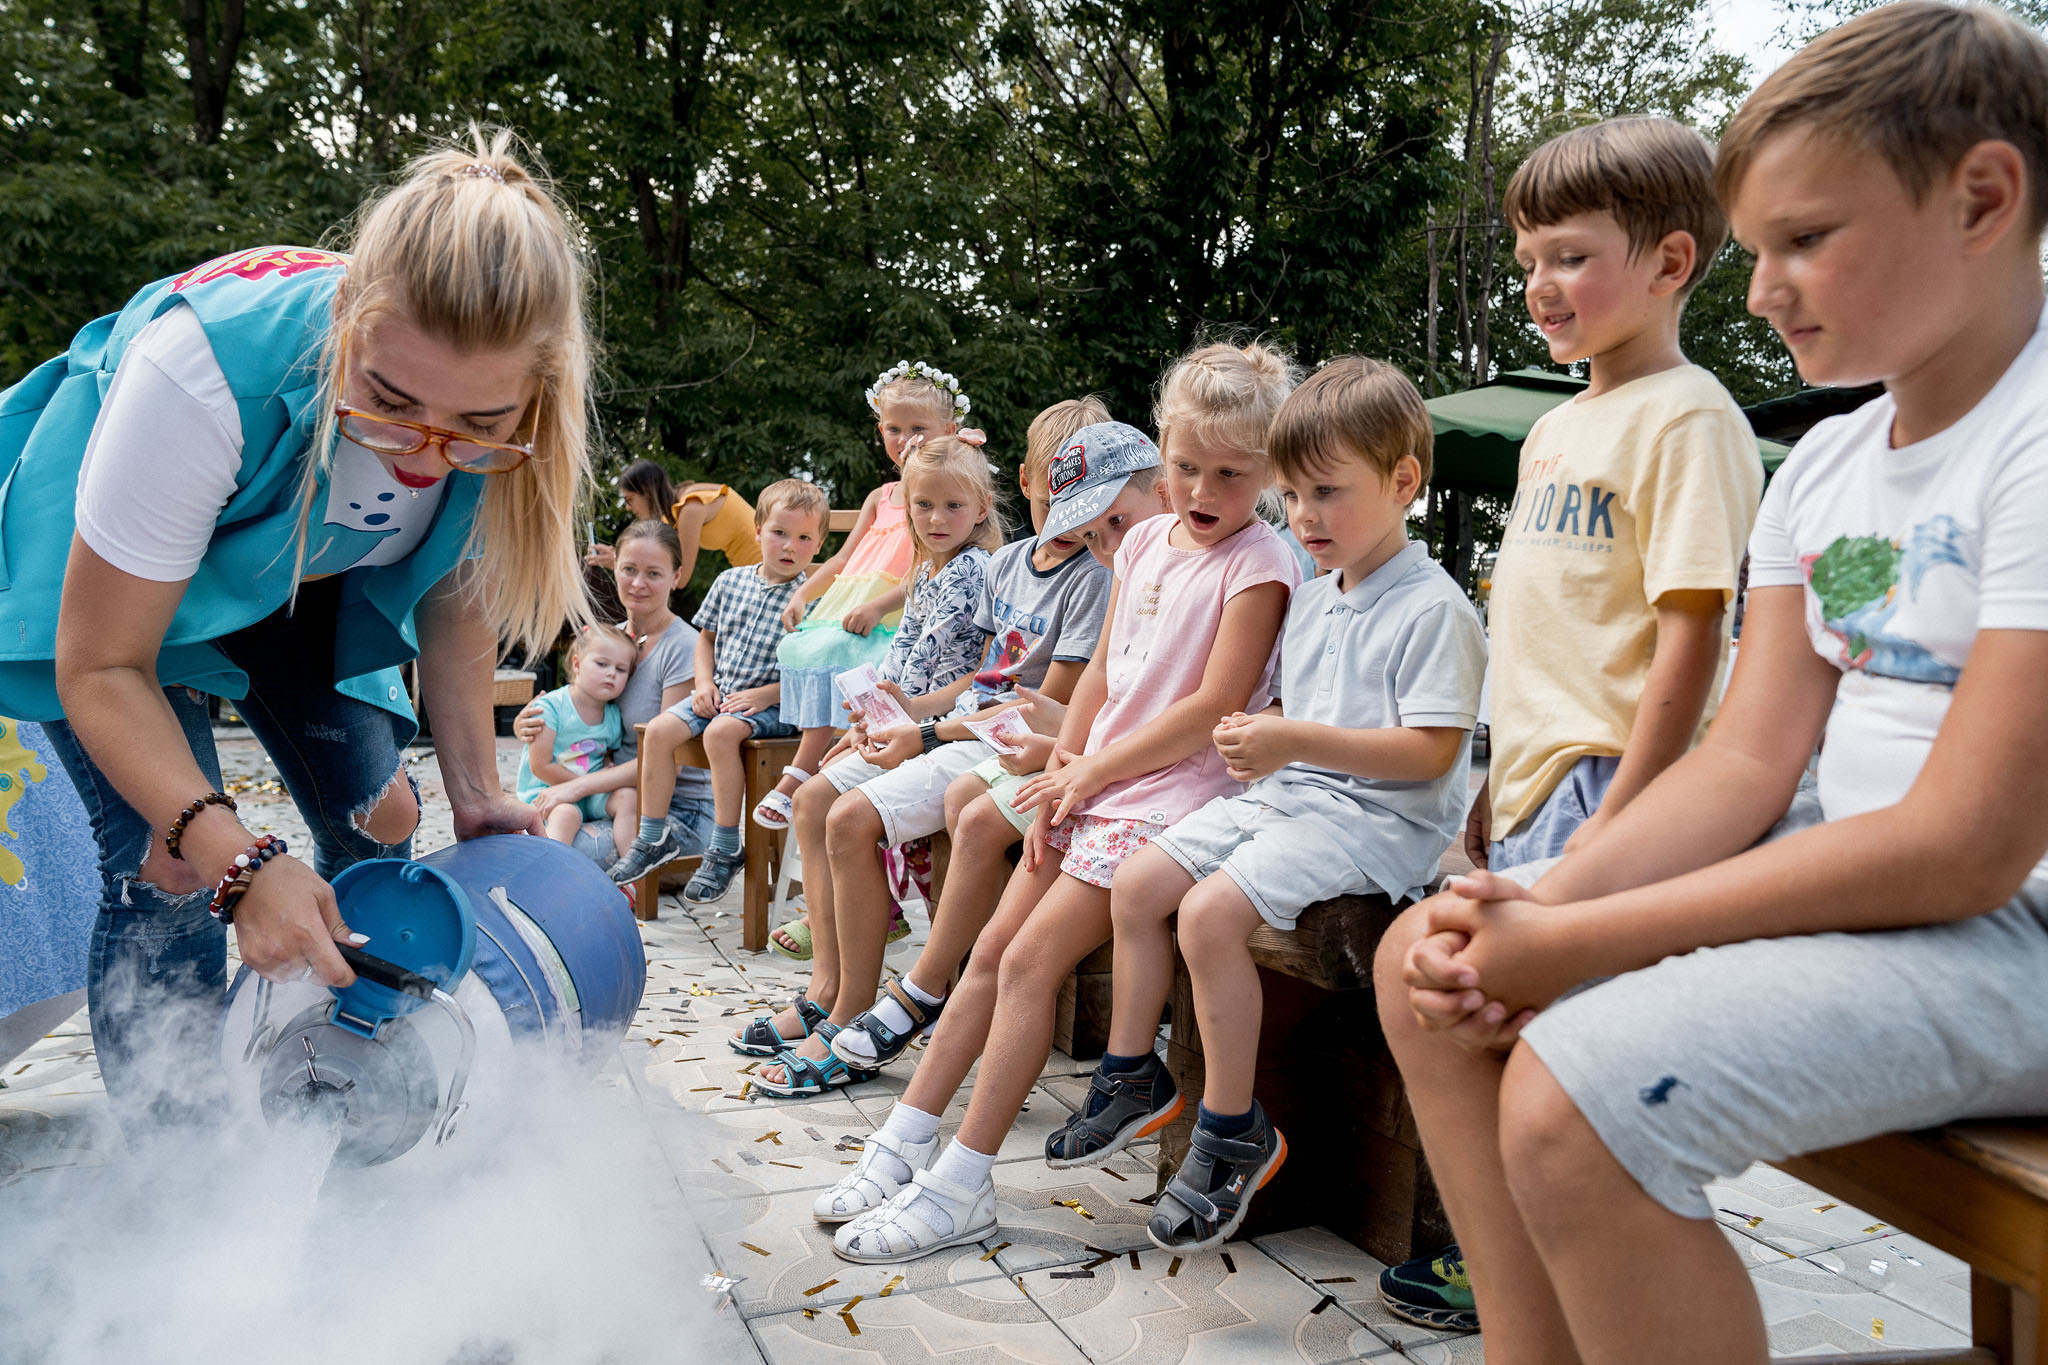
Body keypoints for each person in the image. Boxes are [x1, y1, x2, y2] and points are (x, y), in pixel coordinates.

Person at [1381, 6, 2048, 1361]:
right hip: (1877, 902)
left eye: (1806, 240)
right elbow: (1747, 767)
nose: (1762, 292)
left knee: (1577, 1098)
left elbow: (1968, 847)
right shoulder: (1831, 469)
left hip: (2015, 930)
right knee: (1421, 962)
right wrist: (1541, 898)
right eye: (1757, 252)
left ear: (1983, 198)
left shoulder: (2034, 441)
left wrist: (1581, 938)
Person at [0, 129, 590, 1125]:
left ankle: (356, 1082)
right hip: (121, 599)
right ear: (349, 326)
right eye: (390, 403)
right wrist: (238, 860)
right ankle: (177, 1179)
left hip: (299, 578)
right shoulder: (202, 373)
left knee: (383, 820)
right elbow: (102, 664)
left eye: (475, 429)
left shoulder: (519, 421)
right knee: (172, 868)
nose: (422, 456)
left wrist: (478, 795)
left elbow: (454, 593)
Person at [1378, 113, 1767, 1329]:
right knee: (1481, 1029)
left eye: (1570, 256)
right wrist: (1494, 796)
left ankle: (1583, 1302)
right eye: (1528, 259)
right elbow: (1539, 642)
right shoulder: (1552, 428)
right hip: (1539, 784)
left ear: (1668, 262)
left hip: (1619, 787)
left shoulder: (1689, 417)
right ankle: (1514, 1295)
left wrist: (1626, 829)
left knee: (1559, 1067)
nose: (1542, 286)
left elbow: (1687, 644)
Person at [821, 344, 1301, 1263]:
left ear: (1269, 469)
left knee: (1031, 959)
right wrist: (1062, 777)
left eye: (1231, 473)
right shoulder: (1151, 543)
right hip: (1101, 781)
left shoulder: (1261, 560)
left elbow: (1210, 707)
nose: (1202, 488)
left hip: (1170, 795)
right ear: (1162, 452)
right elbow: (1107, 679)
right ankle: (905, 1141)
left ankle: (964, 1181)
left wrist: (1088, 774)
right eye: (1186, 466)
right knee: (991, 952)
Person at [1052, 357, 1487, 1253]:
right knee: (1139, 885)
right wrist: (1269, 729)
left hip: (1376, 823)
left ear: (1403, 480)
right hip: (1295, 796)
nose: (1305, 518)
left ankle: (1230, 1127)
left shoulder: (1433, 608)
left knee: (1208, 916)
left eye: (1327, 493)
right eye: (1293, 496)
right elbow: (1306, 709)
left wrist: (1289, 740)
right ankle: (1132, 1074)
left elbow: (1431, 753)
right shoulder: (1320, 595)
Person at [790, 397, 1118, 1072]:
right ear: (1026, 481)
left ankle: (891, 1000)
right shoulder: (1010, 565)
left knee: (862, 815)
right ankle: (843, 996)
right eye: (1053, 487)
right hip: (957, 727)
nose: (1068, 508)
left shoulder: (1092, 580)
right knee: (824, 802)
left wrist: (926, 730)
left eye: (1088, 494)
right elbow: (979, 676)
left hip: (992, 743)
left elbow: (1036, 708)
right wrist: (901, 710)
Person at [749, 434, 1003, 1096]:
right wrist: (862, 722)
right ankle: (825, 983)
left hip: (943, 731)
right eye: (924, 504)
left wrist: (911, 713)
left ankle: (849, 1007)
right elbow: (901, 659)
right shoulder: (925, 572)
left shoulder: (977, 570)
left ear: (980, 507)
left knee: (844, 817)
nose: (936, 517)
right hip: (904, 723)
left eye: (952, 505)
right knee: (810, 799)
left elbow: (981, 674)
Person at [754, 361, 968, 830]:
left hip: (890, 615)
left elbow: (925, 572)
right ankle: (811, 759)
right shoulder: (882, 495)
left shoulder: (937, 501)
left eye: (918, 428)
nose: (904, 438)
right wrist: (802, 594)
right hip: (851, 605)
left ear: (948, 432)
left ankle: (800, 772)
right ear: (880, 430)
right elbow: (842, 561)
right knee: (803, 643)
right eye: (894, 428)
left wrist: (877, 606)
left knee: (833, 650)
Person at [608, 479, 828, 897]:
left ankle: (726, 847)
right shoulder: (730, 582)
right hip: (721, 691)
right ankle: (652, 838)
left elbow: (816, 672)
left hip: (772, 705)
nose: (789, 546)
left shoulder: (812, 601)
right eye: (780, 533)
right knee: (658, 731)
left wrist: (765, 695)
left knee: (722, 731)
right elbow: (705, 639)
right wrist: (704, 683)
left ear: (817, 546)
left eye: (803, 538)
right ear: (758, 531)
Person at [514, 520, 719, 874]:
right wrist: (531, 723)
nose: (638, 583)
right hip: (612, 797)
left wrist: (574, 789)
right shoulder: (613, 645)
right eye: (628, 570)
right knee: (529, 833)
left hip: (675, 812)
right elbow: (575, 708)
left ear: (676, 576)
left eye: (653, 573)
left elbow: (670, 761)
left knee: (546, 849)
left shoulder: (684, 648)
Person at [518, 624, 640, 857]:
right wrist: (581, 786)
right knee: (566, 814)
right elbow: (540, 766)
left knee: (628, 797)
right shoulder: (551, 707)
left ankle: (632, 872)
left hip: (588, 793)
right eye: (601, 664)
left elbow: (605, 756)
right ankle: (552, 873)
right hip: (547, 791)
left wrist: (605, 769)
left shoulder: (613, 717)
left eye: (621, 669)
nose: (611, 673)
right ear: (576, 664)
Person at [583, 458, 761, 588]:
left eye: (629, 500)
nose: (628, 508)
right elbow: (655, 559)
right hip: (756, 573)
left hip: (770, 570)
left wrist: (618, 564)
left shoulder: (691, 507)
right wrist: (618, 556)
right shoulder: (674, 513)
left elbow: (680, 579)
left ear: (646, 492)